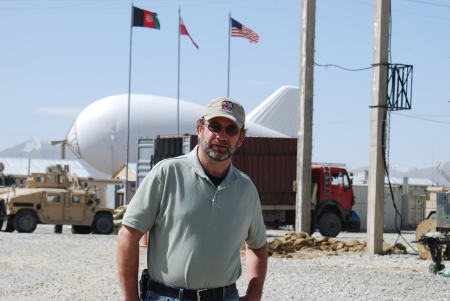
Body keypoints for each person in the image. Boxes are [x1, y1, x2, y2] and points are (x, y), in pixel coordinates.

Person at [117, 97, 268, 301]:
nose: (221, 136)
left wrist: (254, 294)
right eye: (215, 126)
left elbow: (257, 245)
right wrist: (130, 298)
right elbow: (128, 235)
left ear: (241, 138)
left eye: (231, 130)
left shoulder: (245, 188)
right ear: (200, 129)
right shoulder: (167, 174)